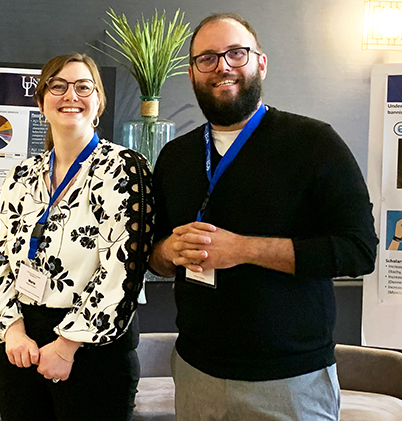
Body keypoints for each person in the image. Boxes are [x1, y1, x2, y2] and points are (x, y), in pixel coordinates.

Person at [148, 13, 378, 421]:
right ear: (192, 74)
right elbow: (154, 256)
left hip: (290, 381)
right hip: (195, 372)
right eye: (208, 58)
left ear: (261, 63)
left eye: (237, 53)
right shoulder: (175, 156)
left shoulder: (314, 143)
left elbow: (358, 251)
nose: (223, 66)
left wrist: (242, 249)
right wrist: (169, 250)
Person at [0, 53, 154, 421]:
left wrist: (67, 346)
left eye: (83, 86)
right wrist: (12, 331)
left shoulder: (123, 168)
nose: (70, 94)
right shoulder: (21, 174)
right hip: (22, 342)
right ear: (41, 102)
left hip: (94, 349)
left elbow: (125, 266)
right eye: (57, 86)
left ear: (98, 103)